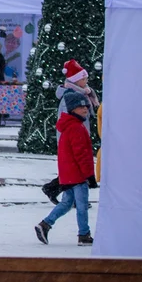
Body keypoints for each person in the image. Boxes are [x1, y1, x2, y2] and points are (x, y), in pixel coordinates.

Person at [34, 90, 97, 246]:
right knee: (82, 205)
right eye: (81, 107)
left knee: (67, 203)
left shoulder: (68, 126)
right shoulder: (77, 128)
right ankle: (84, 235)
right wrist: (89, 175)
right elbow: (81, 154)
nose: (85, 109)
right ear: (72, 109)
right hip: (78, 175)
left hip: (68, 174)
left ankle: (45, 224)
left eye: (86, 107)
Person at [41, 59, 101, 204]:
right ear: (76, 80)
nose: (87, 81)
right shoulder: (70, 96)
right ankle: (73, 199)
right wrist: (66, 139)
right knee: (75, 168)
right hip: (71, 138)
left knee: (74, 168)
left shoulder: (83, 93)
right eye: (84, 78)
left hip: (79, 134)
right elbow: (65, 120)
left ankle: (54, 189)